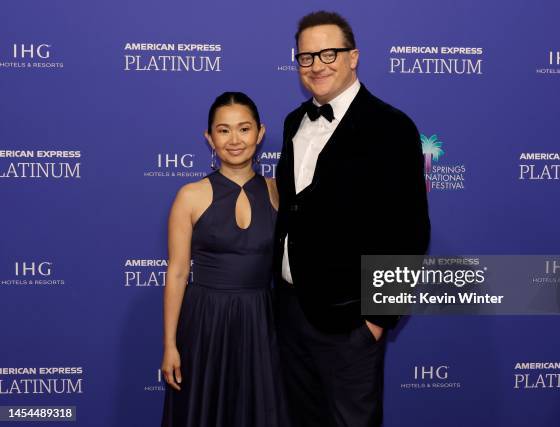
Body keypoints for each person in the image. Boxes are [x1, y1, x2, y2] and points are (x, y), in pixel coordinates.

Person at [274, 11, 431, 427]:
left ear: (353, 56)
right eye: (306, 57)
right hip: (291, 313)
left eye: (329, 53)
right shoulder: (294, 122)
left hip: (349, 324)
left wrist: (376, 321)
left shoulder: (391, 127)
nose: (317, 65)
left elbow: (409, 231)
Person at [160, 92, 287, 426]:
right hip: (205, 322)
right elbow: (176, 273)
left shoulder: (279, 192)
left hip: (262, 320)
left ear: (260, 133)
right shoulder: (189, 195)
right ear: (209, 138)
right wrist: (170, 345)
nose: (235, 140)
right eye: (224, 130)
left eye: (244, 129)